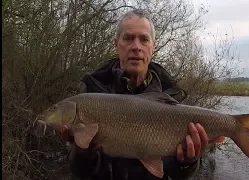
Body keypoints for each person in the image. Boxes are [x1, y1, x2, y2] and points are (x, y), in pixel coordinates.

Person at [63, 9, 209, 180]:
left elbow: (177, 175)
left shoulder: (172, 96)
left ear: (153, 46)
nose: (136, 47)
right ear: (116, 44)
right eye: (128, 38)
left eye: (144, 39)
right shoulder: (90, 94)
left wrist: (188, 162)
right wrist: (83, 155)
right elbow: (78, 172)